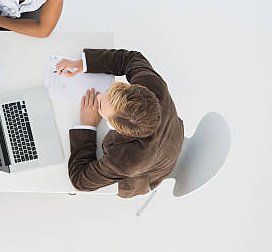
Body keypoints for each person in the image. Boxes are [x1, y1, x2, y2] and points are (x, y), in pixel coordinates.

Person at [56, 49, 184, 198]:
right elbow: (131, 58)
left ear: (118, 128)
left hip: (145, 174)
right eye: (109, 91)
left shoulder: (126, 160)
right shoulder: (152, 85)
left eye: (101, 105)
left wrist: (88, 126)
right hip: (171, 136)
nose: (99, 96)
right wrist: (83, 64)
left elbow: (79, 181)